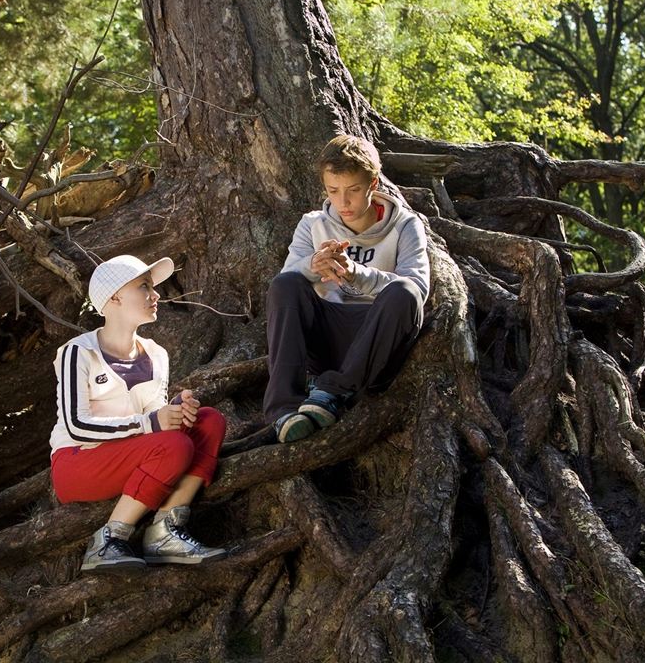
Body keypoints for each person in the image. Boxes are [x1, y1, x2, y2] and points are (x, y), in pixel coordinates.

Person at [49, 254, 228, 572]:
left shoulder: (156, 354)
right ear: (114, 297)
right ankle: (108, 540)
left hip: (132, 454)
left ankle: (165, 530)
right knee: (175, 446)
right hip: (78, 461)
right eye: (144, 287)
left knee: (209, 421)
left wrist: (175, 412)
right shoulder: (79, 352)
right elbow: (76, 426)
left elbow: (152, 416)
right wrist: (151, 423)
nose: (155, 295)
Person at [265, 134, 430, 443]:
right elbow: (286, 286)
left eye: (353, 190)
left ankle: (332, 391)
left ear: (373, 184)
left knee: (404, 293)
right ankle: (283, 410)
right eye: (333, 191)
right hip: (326, 333)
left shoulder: (405, 225)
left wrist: (356, 273)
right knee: (285, 285)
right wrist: (314, 264)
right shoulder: (313, 224)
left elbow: (418, 289)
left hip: (375, 337)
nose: (343, 203)